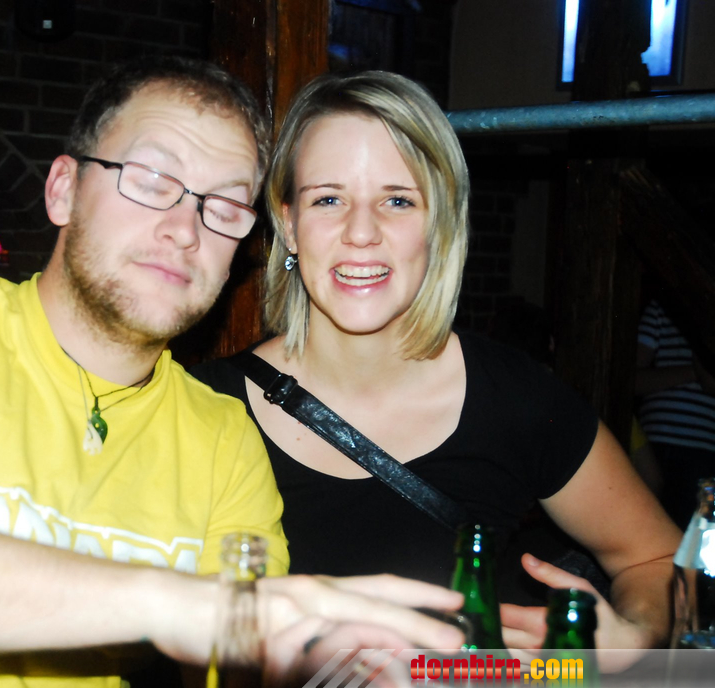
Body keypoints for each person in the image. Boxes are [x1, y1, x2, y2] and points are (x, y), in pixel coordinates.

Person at [0, 58, 465, 688]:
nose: (184, 228)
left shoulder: (222, 439)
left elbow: (253, 656)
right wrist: (174, 604)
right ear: (63, 189)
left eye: (224, 206)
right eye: (151, 179)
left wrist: (469, 665)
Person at [191, 70, 681, 653]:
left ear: (439, 222)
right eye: (328, 199)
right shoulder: (204, 408)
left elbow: (657, 558)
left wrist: (636, 636)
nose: (361, 233)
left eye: (398, 200)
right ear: (289, 224)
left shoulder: (514, 398)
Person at [636, 298, 715, 529]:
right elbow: (632, 379)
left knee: (698, 541)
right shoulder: (660, 308)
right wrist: (694, 372)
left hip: (707, 452)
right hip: (656, 447)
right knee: (651, 532)